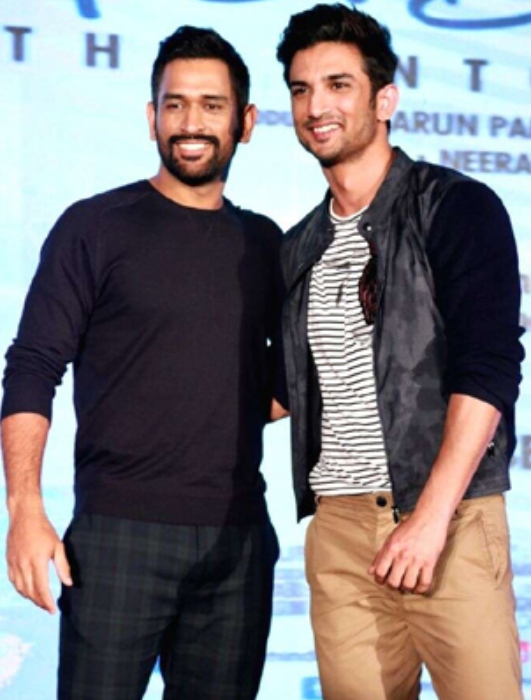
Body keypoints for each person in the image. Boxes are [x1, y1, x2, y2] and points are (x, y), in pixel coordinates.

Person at [1, 25, 287, 700]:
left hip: (239, 541)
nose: (191, 123)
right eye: (175, 104)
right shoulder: (96, 226)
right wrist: (24, 509)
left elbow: (277, 389)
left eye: (212, 105)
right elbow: (33, 365)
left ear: (245, 122)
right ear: (151, 116)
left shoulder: (265, 242)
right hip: (117, 535)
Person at [276, 4, 524, 699]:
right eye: (301, 89)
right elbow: (286, 388)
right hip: (339, 531)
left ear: (384, 99)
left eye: (338, 85)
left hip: (449, 519)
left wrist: (431, 518)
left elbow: (489, 370)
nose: (316, 107)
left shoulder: (455, 207)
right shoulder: (297, 246)